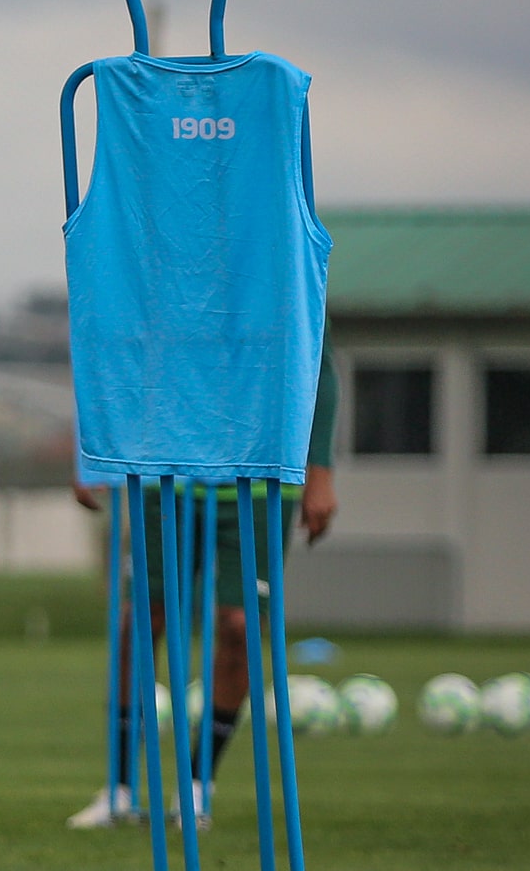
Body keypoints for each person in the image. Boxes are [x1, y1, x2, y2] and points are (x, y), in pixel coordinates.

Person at [67, 330, 339, 829]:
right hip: (166, 469)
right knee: (140, 621)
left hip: (259, 476)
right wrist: (90, 451)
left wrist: (319, 470)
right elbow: (118, 349)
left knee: (240, 626)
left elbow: (315, 360)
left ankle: (197, 785)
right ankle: (119, 787)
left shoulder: (276, 281)